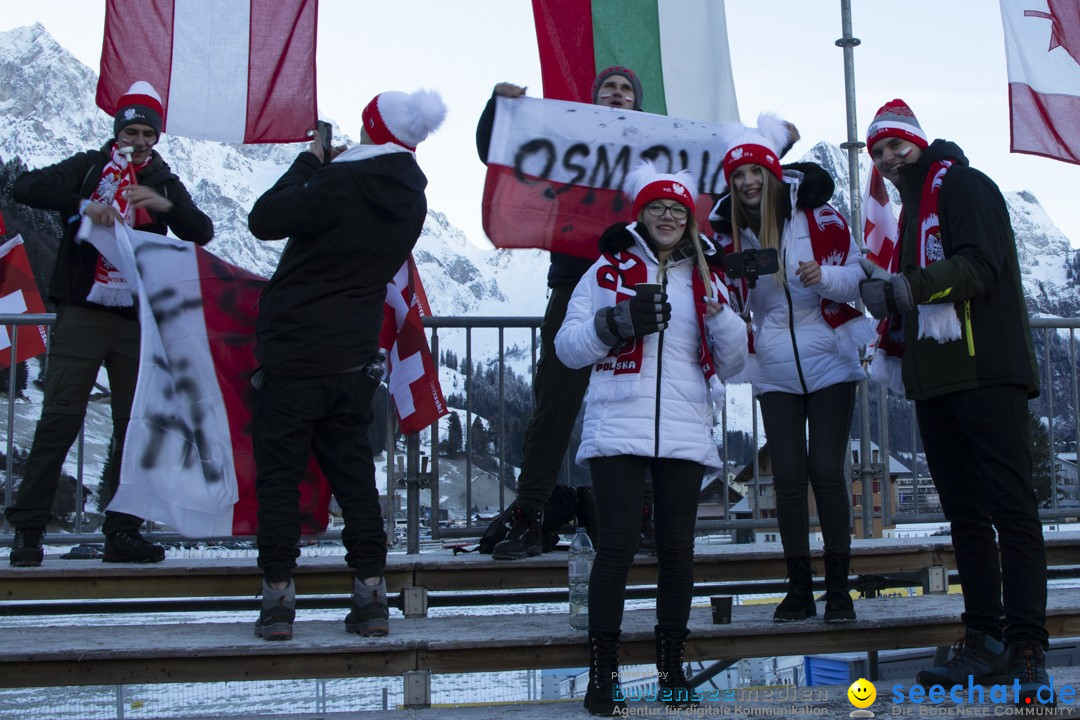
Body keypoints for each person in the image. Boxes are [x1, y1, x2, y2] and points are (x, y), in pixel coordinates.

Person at [858, 99, 1050, 705]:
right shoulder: (912, 211)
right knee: (967, 518)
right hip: (936, 381)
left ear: (917, 140)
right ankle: (982, 640)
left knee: (1013, 514)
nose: (889, 158)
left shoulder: (965, 185)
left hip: (988, 372)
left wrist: (907, 287)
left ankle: (1025, 648)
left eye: (895, 145)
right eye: (879, 151)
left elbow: (981, 267)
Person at [247, 89, 446, 641]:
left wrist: (309, 162)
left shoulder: (336, 180)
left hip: (293, 350)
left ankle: (279, 598)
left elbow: (263, 219)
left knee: (281, 478)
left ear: (369, 130)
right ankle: (370, 595)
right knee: (354, 477)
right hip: (354, 356)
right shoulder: (412, 198)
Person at [556, 161, 747, 715]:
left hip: (685, 428)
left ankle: (670, 670)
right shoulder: (605, 271)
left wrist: (724, 321)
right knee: (614, 549)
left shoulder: (709, 276)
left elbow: (734, 365)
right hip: (618, 421)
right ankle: (603, 674)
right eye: (658, 208)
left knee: (677, 553)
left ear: (690, 220)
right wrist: (616, 322)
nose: (668, 216)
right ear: (641, 214)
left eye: (678, 210)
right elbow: (568, 348)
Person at [6, 81, 214, 566]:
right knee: (59, 417)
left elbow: (200, 230)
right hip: (82, 311)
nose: (139, 141)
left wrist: (163, 205)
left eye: (148, 133)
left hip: (136, 319)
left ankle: (122, 529)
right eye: (132, 131)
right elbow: (25, 187)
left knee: (134, 426)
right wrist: (81, 205)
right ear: (118, 131)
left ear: (157, 138)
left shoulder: (162, 180)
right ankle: (29, 530)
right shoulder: (88, 167)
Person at [475, 66, 658, 559]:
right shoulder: (565, 139)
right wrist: (500, 109)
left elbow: (706, 179)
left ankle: (641, 518)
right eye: (607, 90)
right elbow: (503, 153)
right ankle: (530, 518)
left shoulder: (657, 148)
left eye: (625, 91)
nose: (617, 96)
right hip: (575, 283)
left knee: (634, 404)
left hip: (635, 285)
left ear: (637, 104)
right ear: (593, 100)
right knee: (554, 403)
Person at [709, 115, 871, 624]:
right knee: (787, 477)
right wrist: (722, 306)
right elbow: (729, 296)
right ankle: (798, 588)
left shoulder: (821, 218)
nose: (748, 182)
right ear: (732, 186)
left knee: (826, 470)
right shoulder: (730, 236)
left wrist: (824, 278)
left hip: (831, 356)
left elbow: (858, 277)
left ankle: (839, 589)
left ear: (772, 174)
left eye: (755, 172)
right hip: (773, 361)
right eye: (738, 176)